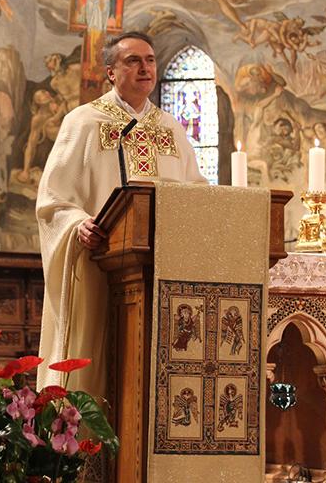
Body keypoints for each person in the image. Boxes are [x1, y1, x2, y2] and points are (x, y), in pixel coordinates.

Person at [35, 31, 207, 398]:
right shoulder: (83, 122)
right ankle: (83, 434)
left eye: (150, 60)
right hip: (100, 262)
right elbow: (52, 200)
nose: (145, 68)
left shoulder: (171, 128)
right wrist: (77, 225)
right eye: (133, 61)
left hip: (163, 267)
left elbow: (195, 192)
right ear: (111, 72)